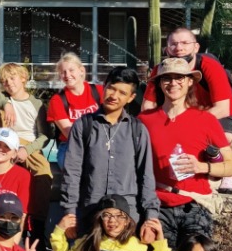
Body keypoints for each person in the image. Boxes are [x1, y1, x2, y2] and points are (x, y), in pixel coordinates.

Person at [139, 58, 232, 249]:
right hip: (157, 208)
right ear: (160, 84)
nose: (173, 83)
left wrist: (201, 166)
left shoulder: (206, 120)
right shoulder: (144, 121)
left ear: (190, 81)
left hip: (195, 206)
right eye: (167, 78)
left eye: (179, 78)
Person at [59, 66, 162, 240]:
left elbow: (146, 176)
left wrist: (150, 216)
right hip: (90, 213)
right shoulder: (84, 126)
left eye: (122, 93)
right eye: (111, 88)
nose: (114, 96)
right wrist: (69, 213)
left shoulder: (137, 130)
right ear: (104, 87)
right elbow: (72, 173)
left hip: (127, 218)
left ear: (131, 98)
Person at [142, 28, 232, 194]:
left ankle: (225, 173)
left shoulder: (209, 66)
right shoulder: (160, 70)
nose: (179, 48)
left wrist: (186, 123)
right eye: (173, 44)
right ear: (167, 49)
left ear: (196, 47)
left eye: (184, 43)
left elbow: (222, 108)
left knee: (223, 134)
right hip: (179, 118)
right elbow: (147, 107)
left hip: (220, 120)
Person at [0, 62, 52, 231]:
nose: (9, 83)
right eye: (4, 81)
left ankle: (37, 224)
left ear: (23, 78)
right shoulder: (3, 98)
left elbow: (45, 136)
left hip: (28, 145)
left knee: (44, 171)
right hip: (5, 139)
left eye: (12, 78)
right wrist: (5, 104)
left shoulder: (37, 104)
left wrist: (27, 149)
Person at [46, 53, 103, 171]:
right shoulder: (57, 100)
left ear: (81, 71)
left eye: (71, 70)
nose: (67, 75)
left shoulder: (99, 91)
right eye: (63, 72)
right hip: (70, 146)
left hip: (100, 143)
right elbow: (69, 133)